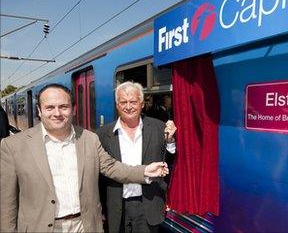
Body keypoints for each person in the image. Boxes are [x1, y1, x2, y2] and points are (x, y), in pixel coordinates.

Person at [0, 83, 169, 233]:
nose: (57, 113)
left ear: (73, 109)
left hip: (85, 225)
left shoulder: (89, 138)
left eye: (63, 106)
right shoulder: (12, 146)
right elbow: (7, 203)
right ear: (39, 110)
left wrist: (145, 171)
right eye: (50, 107)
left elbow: (111, 167)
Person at [97, 82, 176, 233]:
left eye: (133, 102)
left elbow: (170, 164)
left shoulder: (160, 128)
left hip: (149, 204)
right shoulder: (102, 134)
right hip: (116, 206)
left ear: (142, 104)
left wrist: (171, 141)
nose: (128, 106)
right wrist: (100, 206)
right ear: (117, 105)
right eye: (123, 102)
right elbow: (99, 175)